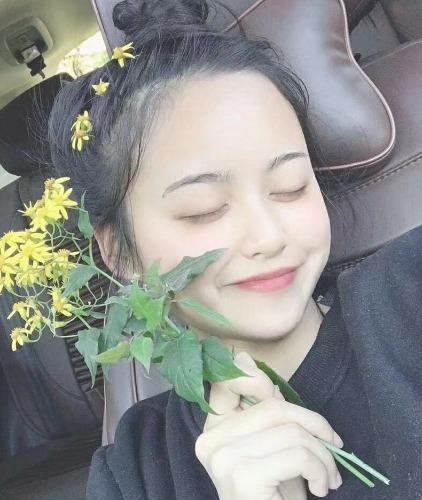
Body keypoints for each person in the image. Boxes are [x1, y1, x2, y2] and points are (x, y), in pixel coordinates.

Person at [47, 1, 422, 498]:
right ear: (119, 251)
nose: (269, 237)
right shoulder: (134, 470)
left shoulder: (409, 296)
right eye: (203, 209)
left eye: (290, 187)